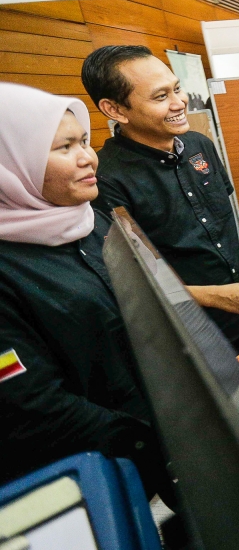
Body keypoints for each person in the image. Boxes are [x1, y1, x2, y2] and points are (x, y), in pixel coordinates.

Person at [0, 83, 169, 496]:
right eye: (64, 147)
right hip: (90, 477)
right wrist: (153, 443)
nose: (88, 157)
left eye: (86, 141)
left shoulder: (91, 224)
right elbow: (32, 403)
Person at [85, 46, 239, 351]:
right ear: (115, 110)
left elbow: (221, 225)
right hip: (188, 332)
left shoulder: (199, 145)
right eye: (160, 97)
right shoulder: (106, 179)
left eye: (178, 89)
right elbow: (130, 279)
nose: (179, 102)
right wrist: (213, 296)